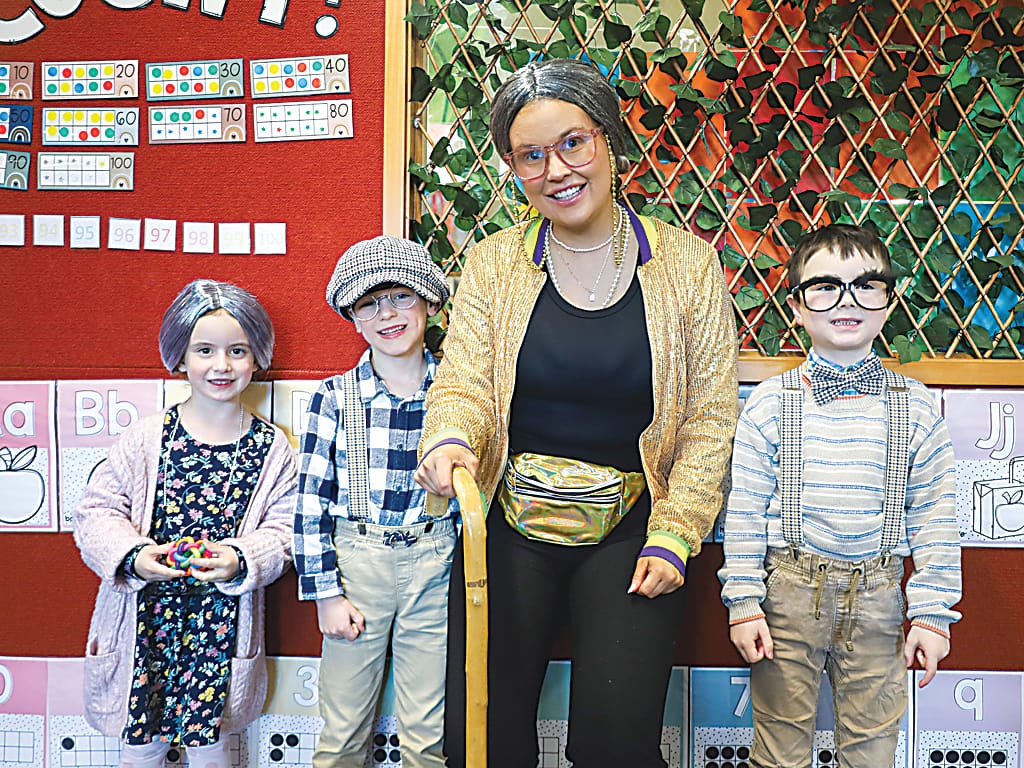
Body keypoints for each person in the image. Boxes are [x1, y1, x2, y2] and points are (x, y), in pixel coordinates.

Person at [414, 58, 739, 768]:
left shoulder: (686, 265)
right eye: (530, 155)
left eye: (572, 143)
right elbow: (464, 383)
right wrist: (448, 439)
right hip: (508, 519)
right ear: (514, 169)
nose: (556, 169)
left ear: (608, 142)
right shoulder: (495, 264)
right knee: (482, 734)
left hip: (633, 527)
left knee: (615, 744)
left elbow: (710, 419)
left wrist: (676, 534)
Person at [718, 223, 963, 768]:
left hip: (878, 597)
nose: (845, 300)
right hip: (785, 596)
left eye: (865, 285)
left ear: (887, 302)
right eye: (825, 286)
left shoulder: (916, 407)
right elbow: (744, 514)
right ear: (798, 307)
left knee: (873, 750)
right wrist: (743, 604)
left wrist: (931, 616)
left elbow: (936, 517)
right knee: (779, 751)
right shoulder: (769, 403)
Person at [73, 279, 297, 768]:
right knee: (139, 752)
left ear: (257, 357)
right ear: (179, 357)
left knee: (214, 753)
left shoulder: (274, 448)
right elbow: (95, 512)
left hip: (220, 630)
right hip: (144, 627)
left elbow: (285, 530)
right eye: (204, 350)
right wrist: (133, 556)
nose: (222, 365)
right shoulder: (146, 437)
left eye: (237, 350)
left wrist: (241, 557)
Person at [294, 235, 457, 768]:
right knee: (342, 731)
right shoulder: (333, 397)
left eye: (401, 297)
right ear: (355, 319)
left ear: (430, 303)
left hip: (435, 566)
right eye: (370, 303)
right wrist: (324, 595)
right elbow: (310, 503)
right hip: (356, 568)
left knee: (429, 734)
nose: (388, 314)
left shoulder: (456, 394)